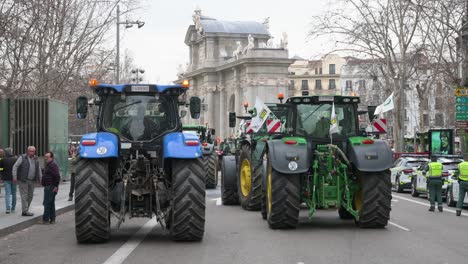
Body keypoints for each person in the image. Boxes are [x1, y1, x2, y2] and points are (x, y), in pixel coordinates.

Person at [12, 146, 42, 216]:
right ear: (28, 151)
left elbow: (39, 168)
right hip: (23, 180)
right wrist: (14, 177)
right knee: (24, 196)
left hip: (32, 180)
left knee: (30, 196)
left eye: (33, 151)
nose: (32, 152)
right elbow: (15, 166)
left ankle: (26, 210)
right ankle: (25, 211)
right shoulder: (22, 157)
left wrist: (41, 178)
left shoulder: (36, 158)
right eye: (30, 151)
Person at [40, 151, 60, 224]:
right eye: (45, 157)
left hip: (50, 186)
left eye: (47, 157)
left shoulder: (52, 165)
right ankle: (52, 219)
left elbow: (57, 176)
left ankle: (46, 219)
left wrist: (56, 186)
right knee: (51, 203)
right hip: (50, 186)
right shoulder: (49, 164)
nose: (46, 158)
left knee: (47, 203)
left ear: (51, 157)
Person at [0, 148, 18, 213]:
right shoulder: (15, 159)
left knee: (7, 194)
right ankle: (13, 208)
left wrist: (1, 175)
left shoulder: (3, 160)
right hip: (14, 179)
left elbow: (1, 169)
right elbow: (17, 168)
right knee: (14, 193)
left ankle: (8, 208)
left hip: (6, 179)